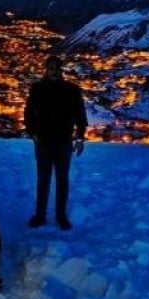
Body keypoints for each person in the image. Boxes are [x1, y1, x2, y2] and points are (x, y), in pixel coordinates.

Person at [23, 55, 88, 230]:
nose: (53, 71)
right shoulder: (37, 89)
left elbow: (80, 115)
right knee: (43, 179)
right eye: (51, 68)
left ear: (61, 70)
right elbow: (28, 113)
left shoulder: (71, 90)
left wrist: (80, 137)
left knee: (62, 180)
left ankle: (61, 215)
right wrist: (33, 133)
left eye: (56, 68)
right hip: (43, 140)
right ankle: (40, 215)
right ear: (46, 69)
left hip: (63, 141)